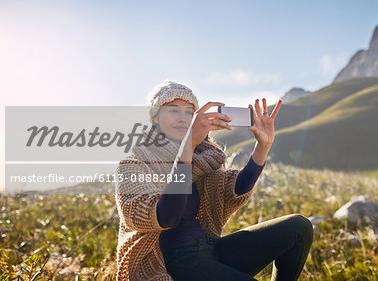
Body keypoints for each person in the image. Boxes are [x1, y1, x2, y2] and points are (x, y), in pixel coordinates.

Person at [115, 80, 313, 281]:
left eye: (189, 112)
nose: (183, 118)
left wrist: (263, 146)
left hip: (210, 250)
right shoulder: (134, 163)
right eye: (173, 111)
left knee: (299, 227)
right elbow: (167, 216)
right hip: (171, 262)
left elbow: (234, 189)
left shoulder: (203, 158)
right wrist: (188, 147)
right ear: (155, 118)